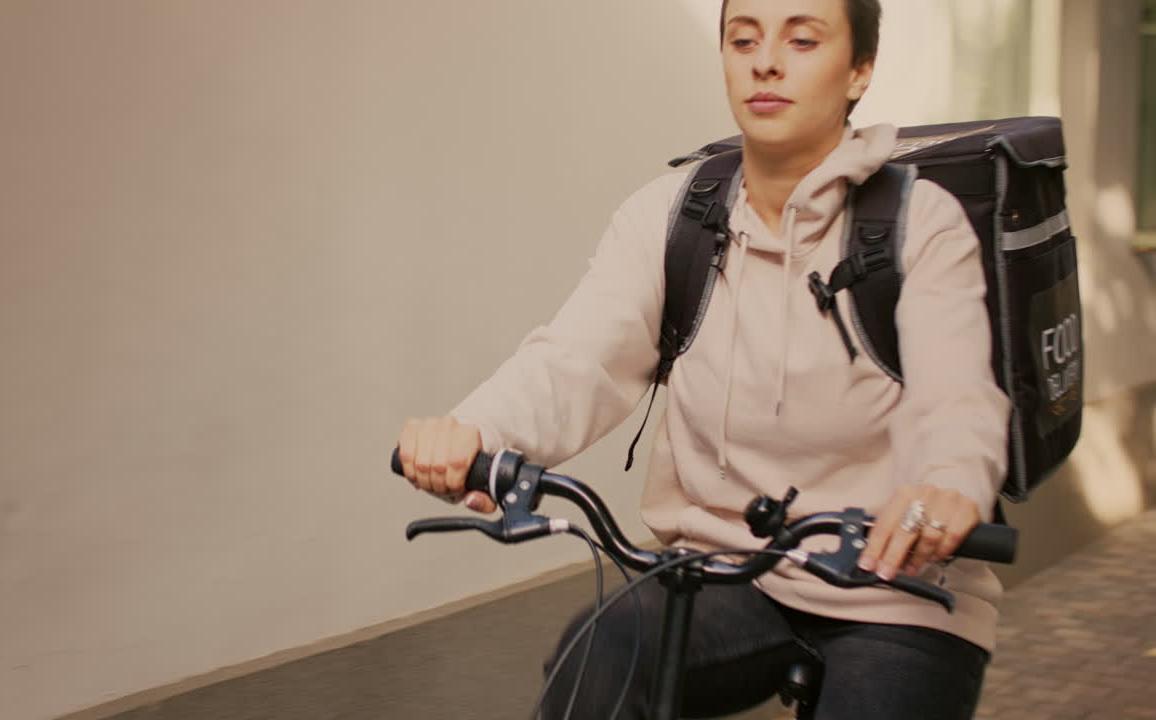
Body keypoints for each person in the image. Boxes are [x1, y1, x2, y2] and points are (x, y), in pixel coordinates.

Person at [396, 0, 1010, 717]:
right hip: (724, 573)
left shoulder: (920, 225)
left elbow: (958, 395)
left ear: (860, 71)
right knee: (599, 656)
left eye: (802, 39)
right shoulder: (675, 216)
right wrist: (476, 431)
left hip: (896, 586)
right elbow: (575, 359)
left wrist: (948, 484)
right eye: (742, 38)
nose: (765, 61)